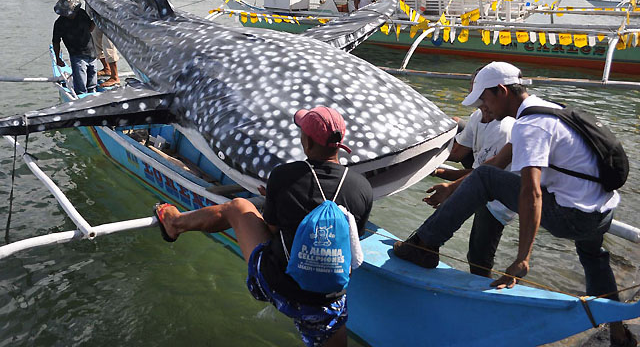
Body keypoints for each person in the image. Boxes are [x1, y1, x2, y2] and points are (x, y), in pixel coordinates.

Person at [393, 61, 635, 346]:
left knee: (484, 177)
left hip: (572, 217)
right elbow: (498, 163)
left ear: (501, 91)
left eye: (484, 99)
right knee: (594, 259)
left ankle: (424, 246)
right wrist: (453, 189)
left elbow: (530, 192)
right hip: (601, 210)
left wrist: (523, 258)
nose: (483, 107)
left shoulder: (529, 126)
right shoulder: (548, 108)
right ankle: (619, 333)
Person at [154, 106, 373, 347]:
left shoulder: (284, 176)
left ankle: (174, 224)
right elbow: (351, 240)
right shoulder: (362, 187)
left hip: (279, 284)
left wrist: (274, 198)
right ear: (339, 143)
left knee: (237, 207)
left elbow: (271, 230)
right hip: (326, 300)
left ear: (308, 143)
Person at [431, 100, 516, 277]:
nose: (484, 112)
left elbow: (479, 177)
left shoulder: (504, 130)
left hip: (500, 196)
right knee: (455, 123)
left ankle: (483, 285)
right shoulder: (478, 115)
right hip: (483, 171)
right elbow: (457, 154)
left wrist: (443, 178)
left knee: (478, 256)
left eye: (488, 108)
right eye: (480, 104)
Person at [52, 0, 97, 95]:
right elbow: (56, 42)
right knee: (81, 88)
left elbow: (90, 28)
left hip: (92, 53)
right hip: (77, 56)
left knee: (92, 85)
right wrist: (58, 58)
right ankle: (82, 101)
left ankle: (93, 95)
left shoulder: (81, 13)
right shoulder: (59, 23)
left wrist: (96, 19)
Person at [91, 0, 121, 87]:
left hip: (109, 15)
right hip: (98, 13)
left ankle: (115, 76)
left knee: (108, 44)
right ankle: (106, 68)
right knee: (96, 39)